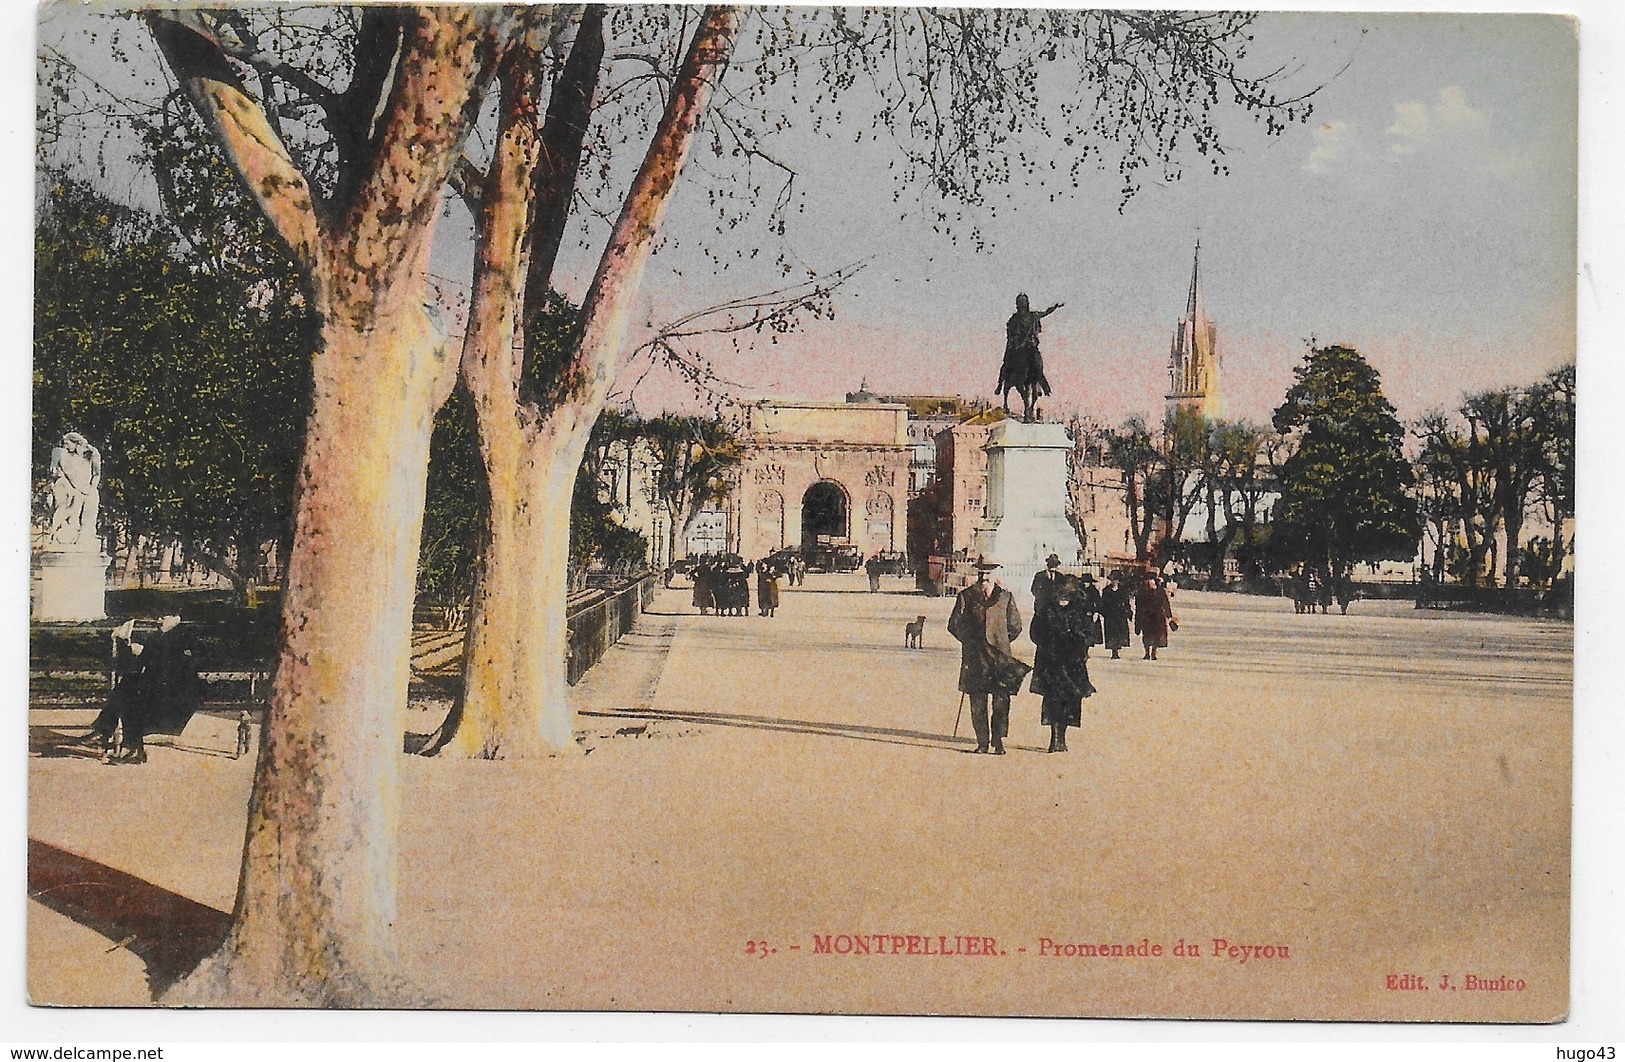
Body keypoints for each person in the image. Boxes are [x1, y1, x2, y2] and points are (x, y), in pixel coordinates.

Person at [947, 559, 1025, 755]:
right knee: (978, 701)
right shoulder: (966, 596)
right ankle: (982, 742)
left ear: (995, 572)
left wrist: (1001, 642)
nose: (985, 576)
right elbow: (954, 624)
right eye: (981, 572)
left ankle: (998, 741)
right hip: (976, 657)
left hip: (1000, 658)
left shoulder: (1006, 597)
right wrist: (970, 641)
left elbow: (1015, 625)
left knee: (1001, 701)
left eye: (989, 572)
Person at [1029, 575, 1096, 753]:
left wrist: (1081, 641)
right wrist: (1047, 643)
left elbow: (1090, 633)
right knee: (1053, 699)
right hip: (1051, 661)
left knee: (1070, 699)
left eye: (1066, 596)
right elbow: (1034, 633)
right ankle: (1054, 737)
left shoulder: (1079, 612)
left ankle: (1062, 736)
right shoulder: (1046, 610)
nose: (1063, 599)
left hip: (1073, 662)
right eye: (1060, 596)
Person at [997, 293, 1063, 422]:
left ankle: (1042, 383)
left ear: (1026, 303)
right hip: (1017, 347)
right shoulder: (1014, 319)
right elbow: (1010, 332)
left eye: (1023, 302)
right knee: (1006, 362)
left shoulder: (1033, 316)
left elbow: (1045, 313)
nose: (1021, 304)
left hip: (1030, 346)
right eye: (1020, 302)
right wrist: (1013, 341)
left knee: (1037, 363)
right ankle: (1000, 384)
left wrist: (1054, 308)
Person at [1135, 574, 1174, 660]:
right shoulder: (1142, 591)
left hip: (1158, 616)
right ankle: (1146, 652)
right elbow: (1138, 605)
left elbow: (1165, 604)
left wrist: (1169, 616)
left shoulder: (1160, 591)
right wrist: (1138, 619)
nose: (1149, 582)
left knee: (1157, 635)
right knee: (1146, 635)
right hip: (1146, 616)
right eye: (1147, 580)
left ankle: (1153, 652)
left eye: (1151, 579)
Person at [1099, 571, 1134, 659]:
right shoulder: (1106, 590)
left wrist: (1129, 613)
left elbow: (1126, 603)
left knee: (1120, 632)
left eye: (1115, 580)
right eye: (1112, 580)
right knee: (1111, 633)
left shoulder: (1123, 590)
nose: (1114, 581)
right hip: (1110, 615)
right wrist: (1104, 613)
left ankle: (1117, 649)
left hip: (1120, 615)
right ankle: (1114, 651)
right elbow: (1103, 603)